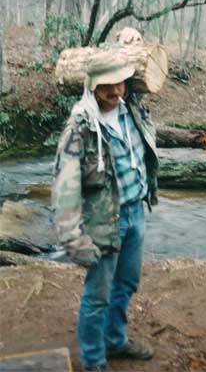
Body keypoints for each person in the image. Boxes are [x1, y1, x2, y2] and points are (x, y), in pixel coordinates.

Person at [52, 28, 158, 372]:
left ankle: (115, 340)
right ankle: (94, 361)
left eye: (120, 83)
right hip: (103, 221)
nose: (115, 91)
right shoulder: (80, 126)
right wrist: (73, 237)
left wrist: (130, 35)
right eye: (106, 85)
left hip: (135, 212)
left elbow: (147, 62)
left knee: (126, 283)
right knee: (97, 295)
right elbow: (64, 187)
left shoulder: (131, 107)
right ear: (91, 86)